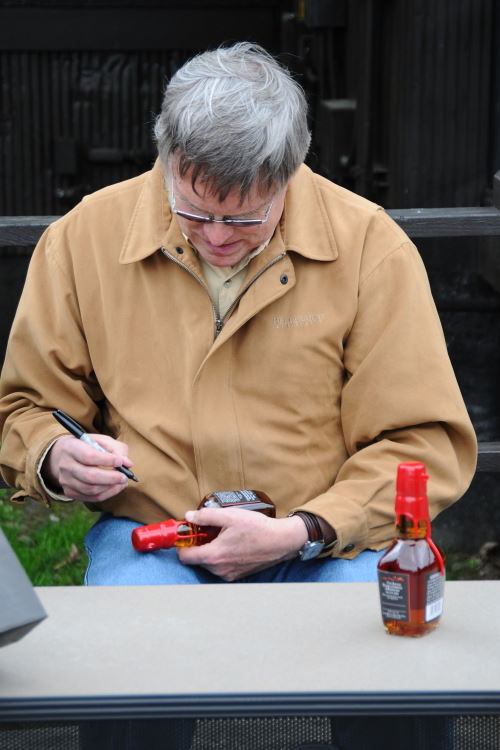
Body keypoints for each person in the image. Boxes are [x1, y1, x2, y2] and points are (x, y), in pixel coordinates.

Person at [0, 42, 476, 749]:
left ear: (292, 173)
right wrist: (54, 457)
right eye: (192, 211)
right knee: (132, 660)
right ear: (162, 160)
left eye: (247, 219)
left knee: (395, 662)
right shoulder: (82, 241)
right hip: (156, 538)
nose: (218, 237)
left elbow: (423, 442)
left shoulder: (370, 246)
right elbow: (25, 408)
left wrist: (303, 530)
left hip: (327, 539)